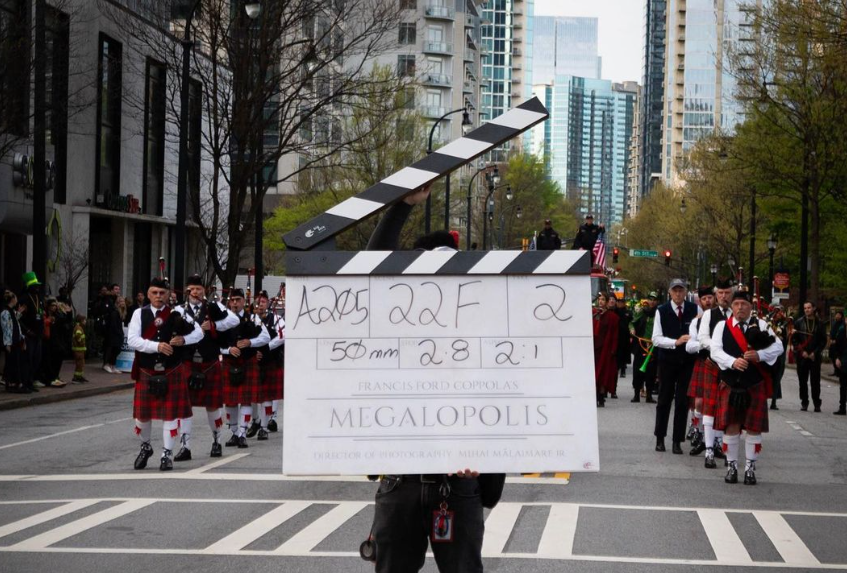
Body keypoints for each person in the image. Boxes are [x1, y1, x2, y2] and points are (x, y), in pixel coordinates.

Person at [365, 184, 501, 573]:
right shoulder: (393, 324)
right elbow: (371, 267)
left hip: (458, 484)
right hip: (400, 479)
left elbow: (503, 398)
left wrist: (488, 467)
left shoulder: (484, 333)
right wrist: (403, 205)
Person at [127, 277, 203, 471]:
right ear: (148, 294)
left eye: (162, 293)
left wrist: (184, 340)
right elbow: (132, 340)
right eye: (154, 293)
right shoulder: (139, 313)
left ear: (168, 294)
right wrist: (157, 346)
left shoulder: (178, 313)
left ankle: (167, 453)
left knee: (170, 416)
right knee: (142, 417)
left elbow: (199, 333)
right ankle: (146, 447)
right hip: (146, 369)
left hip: (171, 369)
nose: (158, 296)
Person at [710, 289, 784, 485]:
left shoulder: (761, 325)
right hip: (730, 382)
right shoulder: (722, 326)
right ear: (732, 307)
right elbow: (715, 350)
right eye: (736, 304)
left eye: (744, 304)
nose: (740, 307)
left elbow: (779, 346)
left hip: (754, 383)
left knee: (753, 428)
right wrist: (732, 362)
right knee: (731, 426)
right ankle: (731, 467)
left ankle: (750, 468)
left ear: (751, 307)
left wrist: (760, 355)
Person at [173, 274, 239, 461]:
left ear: (204, 291)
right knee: (184, 407)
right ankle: (185, 446)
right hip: (187, 362)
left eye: (199, 289)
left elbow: (234, 320)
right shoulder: (178, 309)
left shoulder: (213, 307)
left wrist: (214, 325)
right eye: (192, 289)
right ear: (187, 291)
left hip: (209, 362)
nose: (195, 292)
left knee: (213, 407)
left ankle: (216, 441)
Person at [652, 279, 698, 454]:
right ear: (670, 292)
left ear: (685, 292)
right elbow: (656, 339)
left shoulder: (694, 310)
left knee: (682, 402)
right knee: (664, 399)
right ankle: (660, 438)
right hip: (667, 360)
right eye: (675, 290)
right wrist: (675, 342)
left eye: (681, 290)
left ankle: (677, 440)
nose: (678, 294)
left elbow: (700, 333)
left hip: (687, 361)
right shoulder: (662, 310)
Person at [220, 288, 270, 448]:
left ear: (244, 301)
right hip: (229, 362)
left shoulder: (253, 318)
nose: (235, 303)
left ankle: (242, 433)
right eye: (232, 300)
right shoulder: (223, 320)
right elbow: (215, 343)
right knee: (230, 402)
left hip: (247, 361)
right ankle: (234, 433)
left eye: (238, 300)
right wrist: (228, 350)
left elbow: (266, 337)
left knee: (246, 401)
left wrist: (250, 342)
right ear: (229, 302)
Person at [247, 291, 285, 441]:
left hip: (270, 361)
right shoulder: (250, 319)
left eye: (263, 302)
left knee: (267, 397)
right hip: (253, 362)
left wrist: (266, 348)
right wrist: (253, 351)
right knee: (252, 396)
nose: (260, 305)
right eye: (258, 302)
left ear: (268, 303)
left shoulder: (275, 319)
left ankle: (264, 427)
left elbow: (283, 336)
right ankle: (255, 421)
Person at [684, 285, 715, 457]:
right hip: (703, 361)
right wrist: (706, 345)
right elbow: (689, 346)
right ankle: (697, 429)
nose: (708, 301)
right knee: (699, 403)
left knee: (715, 404)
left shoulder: (723, 318)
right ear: (700, 301)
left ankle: (715, 440)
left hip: (720, 364)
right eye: (704, 298)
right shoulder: (696, 322)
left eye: (710, 297)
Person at [791, 301, 827, 412]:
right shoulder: (798, 322)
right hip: (802, 356)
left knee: (815, 381)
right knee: (802, 381)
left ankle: (817, 403)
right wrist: (802, 352)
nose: (807, 310)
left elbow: (823, 341)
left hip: (814, 357)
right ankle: (804, 402)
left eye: (809, 307)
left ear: (813, 308)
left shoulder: (820, 323)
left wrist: (814, 353)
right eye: (805, 308)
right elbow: (794, 339)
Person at [630, 292, 659, 403]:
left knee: (651, 371)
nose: (652, 301)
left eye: (654, 300)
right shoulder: (641, 312)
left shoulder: (659, 313)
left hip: (653, 346)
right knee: (637, 370)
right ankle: (636, 394)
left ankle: (649, 395)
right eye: (650, 299)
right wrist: (632, 329)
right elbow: (632, 323)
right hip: (640, 345)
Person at [19, 272, 45, 389]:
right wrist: (27, 330)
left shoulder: (39, 298)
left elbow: (41, 314)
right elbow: (19, 318)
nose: (37, 287)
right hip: (29, 334)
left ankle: (31, 380)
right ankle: (25, 383)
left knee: (36, 359)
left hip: (38, 334)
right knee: (27, 359)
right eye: (35, 286)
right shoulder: (24, 299)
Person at [592, 293, 619, 407]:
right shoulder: (593, 313)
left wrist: (613, 349)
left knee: (603, 373)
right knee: (594, 373)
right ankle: (594, 395)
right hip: (594, 347)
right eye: (599, 299)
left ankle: (601, 397)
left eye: (603, 299)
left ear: (607, 302)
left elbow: (615, 334)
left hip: (605, 348)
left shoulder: (612, 317)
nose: (601, 301)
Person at [2, 290, 28, 393]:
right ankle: (12, 383)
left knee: (16, 362)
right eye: (16, 298)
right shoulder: (5, 312)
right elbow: (6, 328)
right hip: (11, 342)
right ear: (12, 299)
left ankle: (16, 383)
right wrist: (7, 343)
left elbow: (15, 323)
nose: (17, 300)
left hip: (16, 340)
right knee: (12, 363)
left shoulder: (12, 311)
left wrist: (22, 338)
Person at [41, 298, 67, 387]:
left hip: (55, 340)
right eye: (52, 305)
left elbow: (63, 321)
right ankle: (50, 378)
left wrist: (64, 312)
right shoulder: (45, 314)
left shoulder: (56, 315)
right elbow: (43, 323)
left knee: (58, 357)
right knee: (49, 361)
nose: (54, 307)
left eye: (55, 306)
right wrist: (49, 320)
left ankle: (55, 377)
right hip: (47, 340)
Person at [768, 304, 789, 410]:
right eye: (777, 311)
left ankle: (774, 401)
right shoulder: (768, 322)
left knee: (777, 378)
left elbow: (787, 339)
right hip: (768, 354)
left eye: (781, 311)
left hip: (780, 355)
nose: (779, 313)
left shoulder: (786, 323)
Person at [101, 290, 124, 374]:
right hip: (113, 334)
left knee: (116, 349)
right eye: (120, 301)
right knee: (111, 349)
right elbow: (113, 325)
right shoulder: (114, 312)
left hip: (117, 334)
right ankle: (107, 364)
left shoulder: (121, 312)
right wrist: (119, 333)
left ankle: (112, 365)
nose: (122, 303)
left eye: (123, 301)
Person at [614, 297, 632, 380]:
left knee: (624, 353)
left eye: (621, 302)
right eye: (618, 302)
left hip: (625, 336)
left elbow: (631, 323)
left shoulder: (628, 312)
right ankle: (618, 367)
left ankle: (623, 369)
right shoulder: (615, 311)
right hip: (617, 336)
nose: (620, 303)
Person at [71, 315, 89, 383]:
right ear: (81, 321)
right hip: (78, 350)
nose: (85, 321)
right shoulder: (78, 328)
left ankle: (79, 376)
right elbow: (78, 336)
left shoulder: (79, 327)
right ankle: (76, 378)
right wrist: (81, 342)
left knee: (80, 364)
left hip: (79, 350)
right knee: (79, 364)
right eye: (84, 320)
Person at [829, 311, 845, 376]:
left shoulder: (843, 324)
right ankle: (835, 371)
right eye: (836, 315)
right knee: (833, 358)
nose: (837, 316)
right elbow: (831, 332)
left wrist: (836, 341)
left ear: (841, 316)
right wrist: (830, 339)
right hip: (832, 344)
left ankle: (839, 372)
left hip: (838, 344)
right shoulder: (834, 323)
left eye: (839, 315)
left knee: (838, 358)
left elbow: (842, 335)